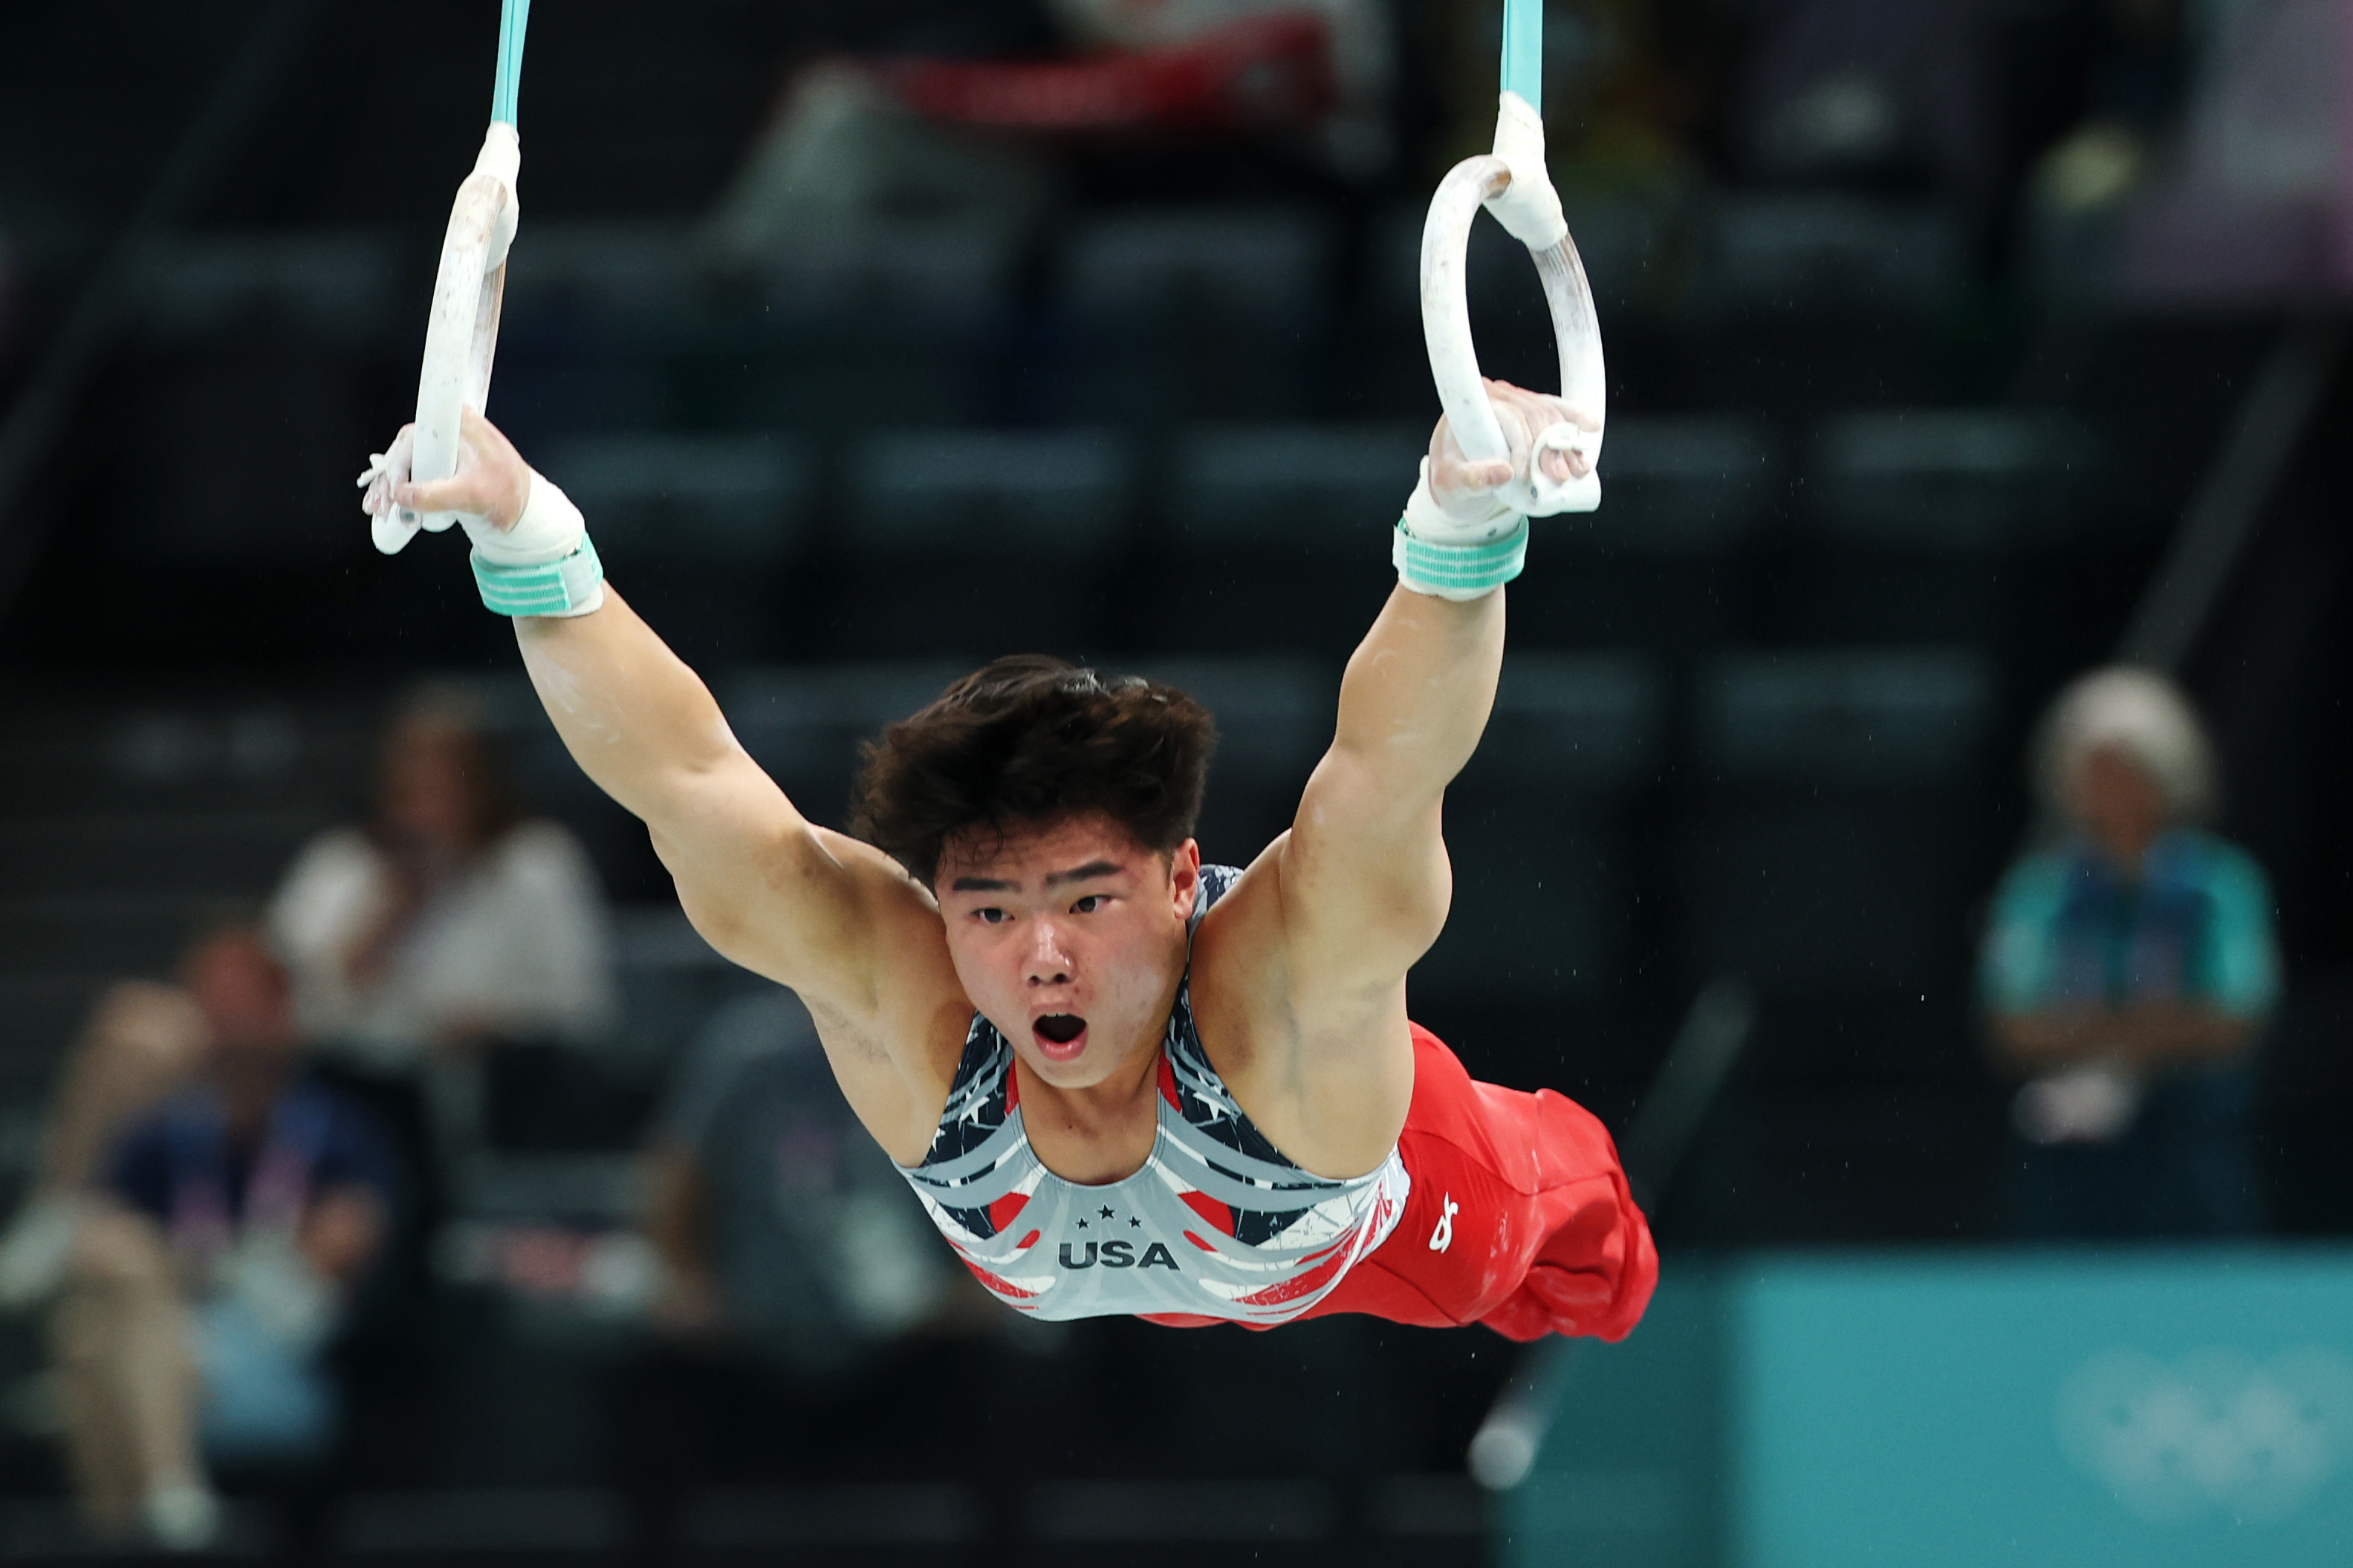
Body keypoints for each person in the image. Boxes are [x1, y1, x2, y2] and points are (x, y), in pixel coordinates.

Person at [352, 373, 1655, 1343]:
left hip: (1405, 1212)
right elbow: (686, 778)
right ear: (940, 906)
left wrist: (1458, 527)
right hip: (1202, 1254)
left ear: (1177, 874)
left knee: (1584, 1269)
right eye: (989, 909)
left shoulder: (1277, 985)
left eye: (1087, 897)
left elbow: (1388, 770)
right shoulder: (903, 991)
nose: (1041, 953)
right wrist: (524, 533)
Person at [45, 925, 399, 1549]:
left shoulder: (337, 1129)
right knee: (103, 1306)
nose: (211, 1013)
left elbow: (314, 1290)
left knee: (102, 1349)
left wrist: (207, 1278)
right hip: (168, 1346)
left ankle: (150, 1510)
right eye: (202, 995)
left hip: (269, 1358)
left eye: (231, 997)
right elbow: (104, 1243)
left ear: (280, 1010)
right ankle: (169, 1493)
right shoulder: (163, 1135)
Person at [1982, 666, 2281, 1237]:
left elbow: (2234, 1017)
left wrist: (2105, 1045)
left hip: (2188, 1142)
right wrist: (2145, 1036)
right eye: (2092, 772)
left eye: (2124, 771)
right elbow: (2011, 1023)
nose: (2108, 791)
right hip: (2068, 1153)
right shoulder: (2040, 891)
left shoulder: (2217, 887)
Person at [265, 690, 616, 1174]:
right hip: (365, 1085)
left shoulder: (536, 863)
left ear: (483, 780)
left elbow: (582, 1002)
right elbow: (291, 1004)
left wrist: (493, 1024)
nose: (427, 790)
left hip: (504, 1083)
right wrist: (393, 912)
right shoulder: (339, 865)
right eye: (411, 776)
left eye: (447, 773)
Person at [640, 988, 964, 1381]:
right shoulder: (747, 1046)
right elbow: (678, 1166)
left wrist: (971, 1296)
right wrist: (684, 1276)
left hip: (914, 1335)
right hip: (754, 1328)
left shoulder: (926, 1036)